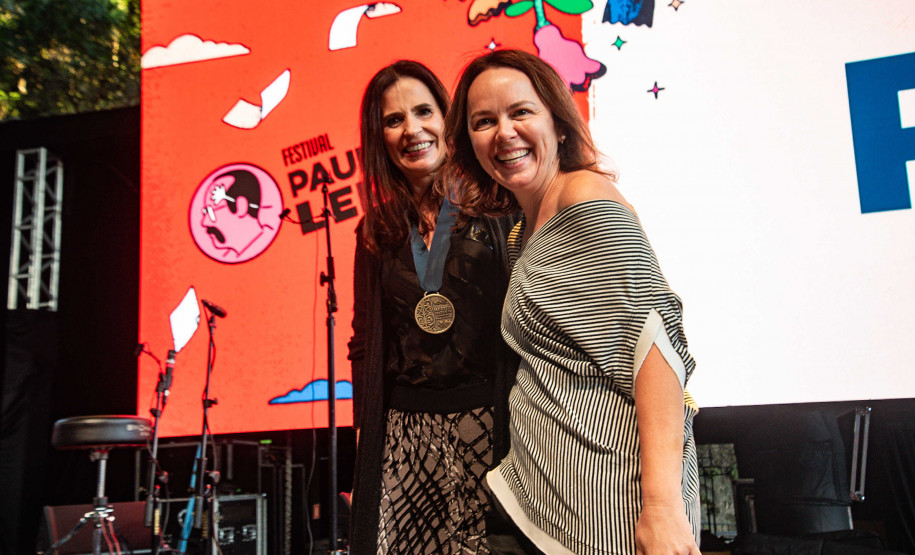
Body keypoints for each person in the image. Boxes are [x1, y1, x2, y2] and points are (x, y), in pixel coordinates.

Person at [443, 49, 701, 554]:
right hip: (549, 507)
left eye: (521, 112)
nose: (504, 133)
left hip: (613, 511)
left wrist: (662, 509)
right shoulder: (522, 230)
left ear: (558, 125)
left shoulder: (583, 197)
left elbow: (656, 347)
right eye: (484, 121)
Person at [347, 60, 519, 554]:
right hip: (405, 438)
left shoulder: (498, 204)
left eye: (424, 112)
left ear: (448, 119)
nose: (412, 129)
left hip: (493, 428)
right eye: (393, 119)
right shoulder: (376, 229)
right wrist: (367, 440)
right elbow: (364, 344)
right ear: (379, 137)